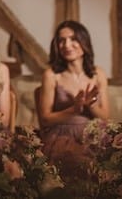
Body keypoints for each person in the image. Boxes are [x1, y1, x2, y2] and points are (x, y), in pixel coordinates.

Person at [38, 20, 109, 180]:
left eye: (73, 39)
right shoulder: (51, 75)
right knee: (78, 161)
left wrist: (89, 105)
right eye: (61, 40)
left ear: (84, 42)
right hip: (62, 135)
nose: (67, 45)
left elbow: (105, 116)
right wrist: (74, 109)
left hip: (93, 133)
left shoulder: (98, 73)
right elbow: (45, 118)